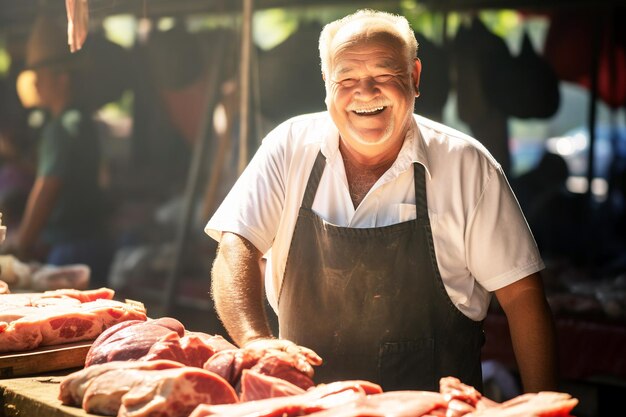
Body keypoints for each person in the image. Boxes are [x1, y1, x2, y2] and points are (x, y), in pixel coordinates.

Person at [206, 9, 558, 393]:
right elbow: (236, 244)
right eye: (347, 78)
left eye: (384, 75)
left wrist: (543, 405)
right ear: (326, 82)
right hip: (307, 403)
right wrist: (256, 342)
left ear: (415, 77)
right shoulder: (288, 147)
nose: (366, 91)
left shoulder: (468, 167)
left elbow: (523, 296)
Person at [10, 15, 113, 288]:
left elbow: (47, 189)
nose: (35, 85)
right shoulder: (83, 122)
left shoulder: (63, 128)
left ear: (62, 79)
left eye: (40, 77)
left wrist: (21, 246)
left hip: (70, 249)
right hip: (93, 242)